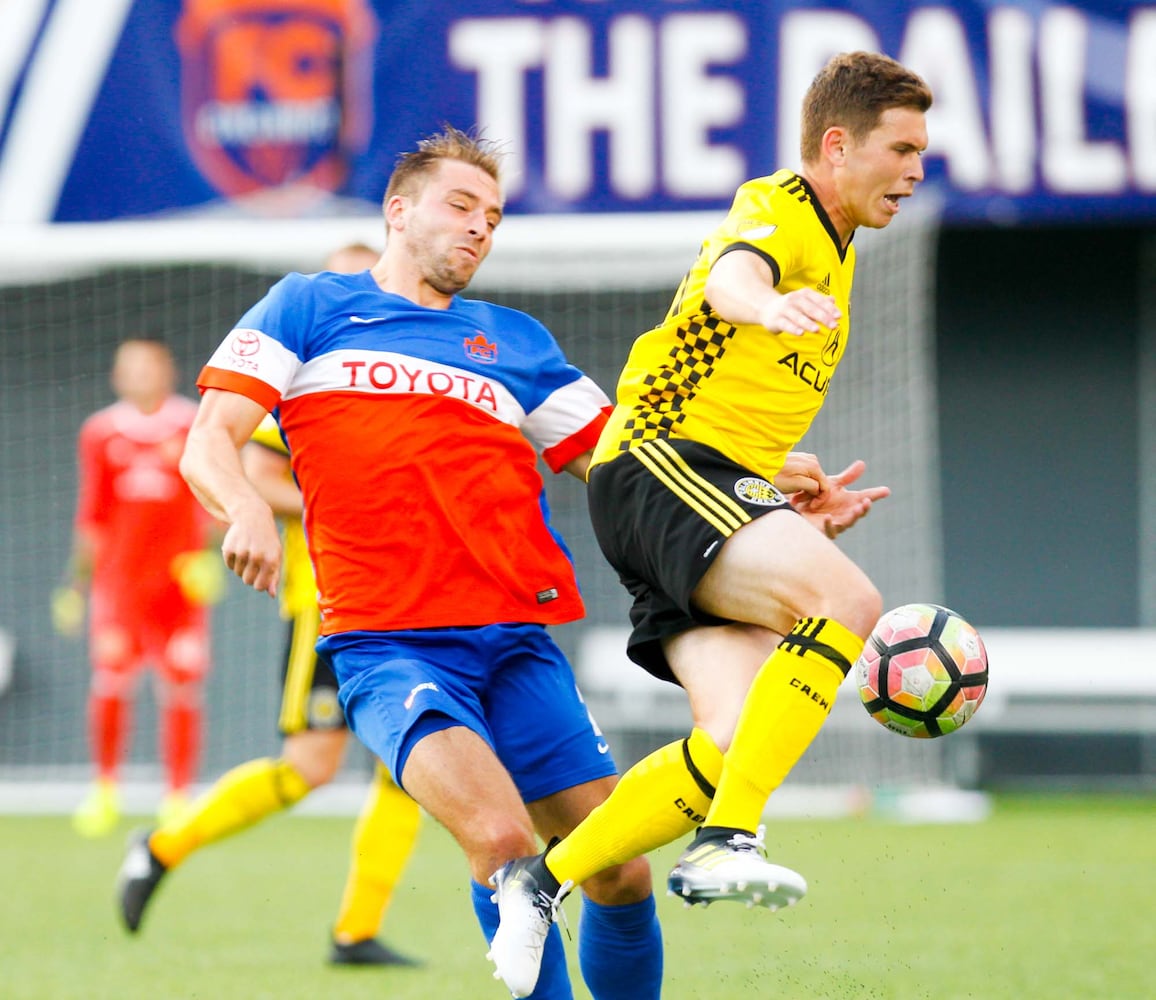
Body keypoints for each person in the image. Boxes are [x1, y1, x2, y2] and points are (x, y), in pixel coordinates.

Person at [118, 126, 662, 1000]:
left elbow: (629, 460)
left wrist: (756, 493)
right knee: (503, 847)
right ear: (397, 212)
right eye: (460, 206)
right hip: (391, 648)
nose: (481, 227)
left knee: (619, 873)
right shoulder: (309, 307)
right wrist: (250, 506)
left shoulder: (514, 341)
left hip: (518, 645)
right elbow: (206, 442)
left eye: (494, 216)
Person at [488, 50, 932, 992]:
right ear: (837, 144)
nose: (916, 169)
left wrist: (783, 484)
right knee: (849, 603)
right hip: (659, 462)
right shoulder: (782, 206)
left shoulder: (840, 253)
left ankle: (539, 881)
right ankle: (731, 837)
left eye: (923, 153)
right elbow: (733, 277)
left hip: (702, 477)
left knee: (730, 740)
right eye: (902, 148)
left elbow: (726, 384)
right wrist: (767, 304)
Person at [115, 244, 424, 969]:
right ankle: (162, 846)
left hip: (407, 601)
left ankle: (356, 930)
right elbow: (254, 474)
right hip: (328, 604)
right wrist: (354, 506)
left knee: (409, 768)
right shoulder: (300, 376)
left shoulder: (408, 377)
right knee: (309, 769)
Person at [54, 338, 224, 837]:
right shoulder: (101, 431)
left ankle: (178, 794)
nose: (140, 374)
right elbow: (93, 512)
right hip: (119, 585)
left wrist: (211, 556)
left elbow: (214, 495)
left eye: (148, 365)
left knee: (182, 682)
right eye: (130, 367)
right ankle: (105, 788)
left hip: (179, 585)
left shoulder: (192, 423)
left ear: (167, 370)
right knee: (111, 680)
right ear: (117, 375)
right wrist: (76, 584)